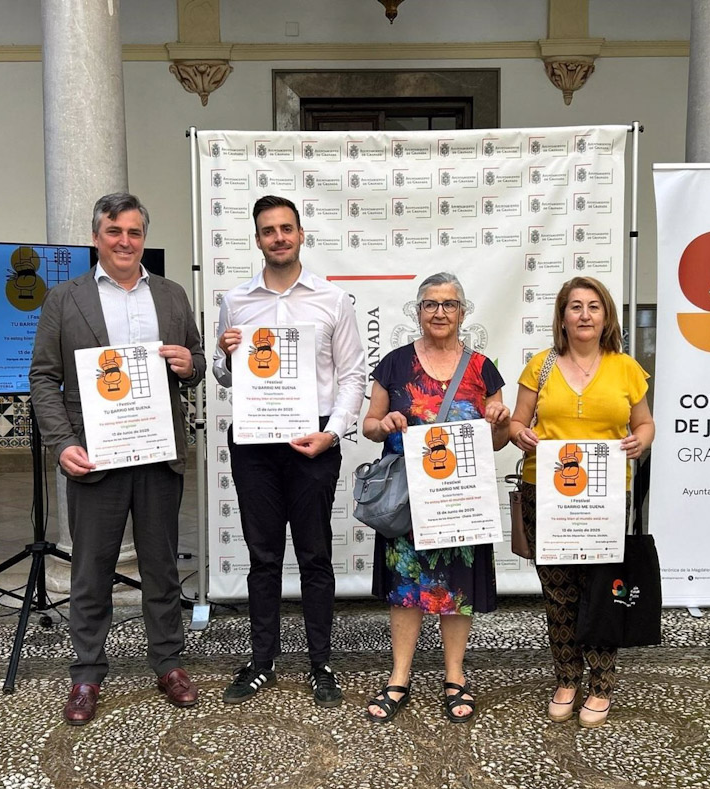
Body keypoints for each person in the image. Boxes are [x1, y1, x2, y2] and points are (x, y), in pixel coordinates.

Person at [29, 192, 206, 725]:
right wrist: (62, 444)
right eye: (114, 231)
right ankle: (86, 672)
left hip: (158, 453)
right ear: (96, 237)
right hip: (96, 454)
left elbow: (196, 362)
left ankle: (168, 663)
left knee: (161, 565)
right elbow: (42, 377)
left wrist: (187, 363)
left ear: (143, 238)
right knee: (90, 569)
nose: (125, 241)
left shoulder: (172, 296)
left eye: (134, 232)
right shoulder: (65, 298)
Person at [213, 195, 365, 708]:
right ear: (257, 239)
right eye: (268, 230)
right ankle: (262, 662)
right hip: (255, 440)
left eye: (286, 228)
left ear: (301, 235)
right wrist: (226, 357)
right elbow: (224, 374)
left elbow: (352, 377)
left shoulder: (332, 299)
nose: (278, 237)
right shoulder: (235, 301)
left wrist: (334, 432)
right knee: (263, 556)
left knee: (315, 554)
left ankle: (321, 662)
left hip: (313, 440)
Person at [361, 273, 510, 724]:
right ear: (418, 311)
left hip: (461, 501)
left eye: (449, 304)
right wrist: (384, 424)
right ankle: (399, 676)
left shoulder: (483, 369)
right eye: (430, 304)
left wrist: (501, 420)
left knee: (456, 590)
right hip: (409, 500)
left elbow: (499, 441)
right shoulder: (393, 365)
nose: (440, 312)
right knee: (406, 590)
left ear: (463, 312)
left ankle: (454, 675)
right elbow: (368, 425)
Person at [508, 275, 654, 728]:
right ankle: (567, 678)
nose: (585, 314)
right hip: (546, 493)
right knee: (559, 592)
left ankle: (601, 684)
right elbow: (516, 423)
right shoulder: (541, 365)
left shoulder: (626, 368)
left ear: (606, 315)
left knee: (602, 587)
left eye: (594, 306)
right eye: (576, 307)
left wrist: (640, 442)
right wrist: (522, 435)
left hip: (605, 495)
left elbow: (645, 424)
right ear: (563, 316)